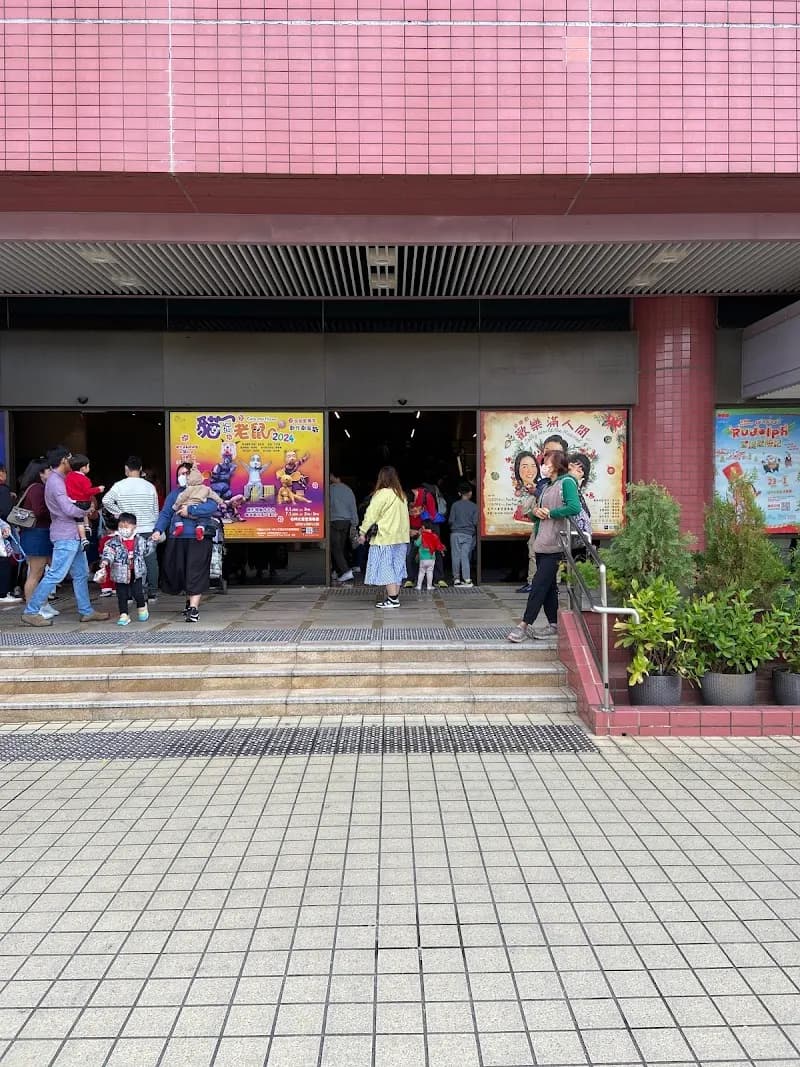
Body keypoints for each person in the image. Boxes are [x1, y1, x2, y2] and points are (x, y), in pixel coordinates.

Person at [21, 448, 111, 627]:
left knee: (81, 574)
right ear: (64, 460)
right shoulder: (56, 482)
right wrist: (86, 509)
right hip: (65, 534)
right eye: (70, 458)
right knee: (56, 574)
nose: (73, 460)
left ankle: (86, 611)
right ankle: (31, 611)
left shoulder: (62, 479)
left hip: (72, 534)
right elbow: (68, 509)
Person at [507, 450, 580, 643]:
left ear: (557, 464)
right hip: (542, 542)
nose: (543, 466)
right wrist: (535, 513)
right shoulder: (547, 485)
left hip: (557, 544)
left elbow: (574, 507)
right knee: (548, 588)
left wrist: (551, 513)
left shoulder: (567, 482)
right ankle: (554, 624)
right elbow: (537, 513)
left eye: (546, 462)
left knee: (538, 584)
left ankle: (524, 625)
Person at [152, 462, 219, 623]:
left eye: (186, 473)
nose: (183, 477)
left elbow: (212, 506)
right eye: (180, 474)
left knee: (195, 571)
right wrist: (158, 530)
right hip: (177, 537)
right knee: (179, 571)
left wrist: (191, 510)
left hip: (199, 538)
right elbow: (166, 514)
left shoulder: (204, 490)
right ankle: (189, 602)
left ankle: (194, 609)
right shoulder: (174, 495)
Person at [102, 456, 160, 600]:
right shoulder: (149, 487)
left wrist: (119, 513)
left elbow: (105, 500)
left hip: (128, 529)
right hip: (147, 527)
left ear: (126, 469)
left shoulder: (119, 485)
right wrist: (157, 527)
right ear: (140, 469)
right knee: (150, 560)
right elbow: (156, 509)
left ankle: (128, 594)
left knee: (126, 560)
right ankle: (152, 591)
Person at [518, 436, 568, 593]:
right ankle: (534, 582)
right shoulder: (544, 478)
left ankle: (552, 585)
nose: (547, 457)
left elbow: (571, 506)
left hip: (556, 525)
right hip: (541, 523)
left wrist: (539, 496)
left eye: (552, 452)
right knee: (533, 550)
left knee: (554, 555)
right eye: (546, 452)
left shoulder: (565, 480)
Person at [358, 466, 410, 609]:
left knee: (386, 568)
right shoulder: (401, 495)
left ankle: (393, 599)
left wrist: (362, 532)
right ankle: (394, 597)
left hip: (385, 538)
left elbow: (371, 515)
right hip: (401, 539)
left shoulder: (381, 494)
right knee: (397, 568)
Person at [14, 460, 57, 615]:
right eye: (49, 471)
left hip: (38, 534)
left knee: (44, 572)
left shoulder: (35, 488)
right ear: (40, 473)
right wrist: (56, 512)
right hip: (37, 534)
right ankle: (32, 608)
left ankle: (42, 604)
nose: (52, 474)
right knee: (35, 573)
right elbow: (39, 512)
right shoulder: (37, 488)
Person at [99, 512, 154, 626]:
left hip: (136, 572)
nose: (124, 529)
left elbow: (147, 551)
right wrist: (105, 561)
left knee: (138, 593)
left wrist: (153, 541)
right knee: (122, 595)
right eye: (121, 526)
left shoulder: (140, 540)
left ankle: (142, 607)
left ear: (134, 526)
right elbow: (109, 552)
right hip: (120, 573)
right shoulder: (113, 542)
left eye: (127, 526)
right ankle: (124, 615)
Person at [404, 482, 447, 589]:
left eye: (416, 508)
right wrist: (409, 530)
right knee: (411, 554)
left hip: (428, 527)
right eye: (412, 509)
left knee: (435, 551)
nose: (414, 511)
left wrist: (424, 531)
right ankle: (410, 579)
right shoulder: (408, 505)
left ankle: (439, 579)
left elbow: (432, 515)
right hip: (414, 531)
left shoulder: (427, 496)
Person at [65, 454, 104, 549]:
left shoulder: (68, 476)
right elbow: (88, 492)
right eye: (88, 466)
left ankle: (86, 528)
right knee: (81, 520)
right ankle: (84, 538)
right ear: (83, 468)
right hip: (84, 502)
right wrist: (99, 489)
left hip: (73, 502)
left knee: (81, 518)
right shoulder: (85, 479)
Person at [172, 469, 224, 539]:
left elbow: (181, 498)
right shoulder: (206, 489)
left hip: (186, 509)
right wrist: (221, 501)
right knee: (204, 519)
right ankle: (200, 528)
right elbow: (214, 496)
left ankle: (179, 527)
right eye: (181, 474)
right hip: (198, 512)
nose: (183, 477)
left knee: (176, 514)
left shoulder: (189, 489)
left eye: (185, 475)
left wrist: (176, 506)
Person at [329, 472, 359, 584]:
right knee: (340, 548)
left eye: (330, 476)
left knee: (335, 548)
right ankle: (338, 572)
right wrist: (355, 523)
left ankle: (346, 571)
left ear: (334, 476)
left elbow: (328, 505)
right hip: (346, 522)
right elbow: (353, 506)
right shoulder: (348, 490)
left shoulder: (330, 489)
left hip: (334, 520)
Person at [449, 482, 478, 586]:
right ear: (470, 493)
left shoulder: (455, 505)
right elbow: (475, 522)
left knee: (455, 556)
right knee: (465, 556)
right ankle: (467, 579)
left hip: (455, 533)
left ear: (459, 493)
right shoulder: (474, 506)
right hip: (468, 535)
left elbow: (451, 520)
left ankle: (456, 579)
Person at [0, 466, 22, 605]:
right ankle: (3, 592)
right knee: (5, 559)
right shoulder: (2, 489)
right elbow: (6, 511)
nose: (4, 475)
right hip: (3, 529)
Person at [567, 452, 593, 556]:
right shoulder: (560, 486)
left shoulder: (577, 493)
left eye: (580, 470)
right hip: (563, 541)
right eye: (572, 468)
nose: (576, 472)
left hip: (578, 543)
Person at [415, 520, 446, 591]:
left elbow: (416, 544)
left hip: (423, 559)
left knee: (422, 572)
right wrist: (442, 552)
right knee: (430, 572)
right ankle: (429, 586)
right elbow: (439, 546)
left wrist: (418, 536)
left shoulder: (422, 536)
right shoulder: (435, 536)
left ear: (423, 527)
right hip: (432, 558)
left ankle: (418, 586)